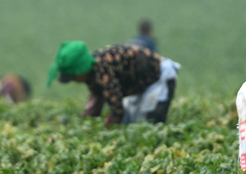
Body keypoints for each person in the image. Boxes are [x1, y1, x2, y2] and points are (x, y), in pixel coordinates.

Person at [47, 41, 180, 126]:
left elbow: (117, 110)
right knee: (133, 123)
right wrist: (87, 121)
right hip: (140, 85)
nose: (74, 80)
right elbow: (97, 98)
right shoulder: (93, 73)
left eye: (74, 76)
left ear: (81, 70)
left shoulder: (103, 72)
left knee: (151, 123)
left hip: (159, 77)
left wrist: (108, 131)